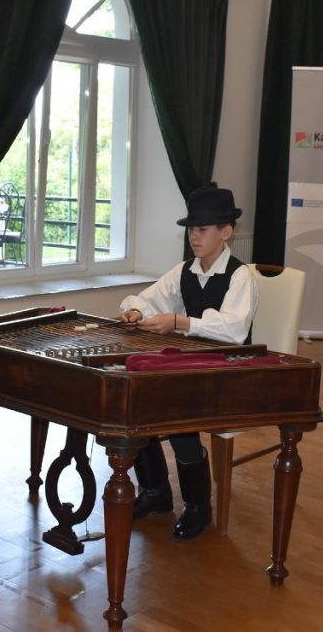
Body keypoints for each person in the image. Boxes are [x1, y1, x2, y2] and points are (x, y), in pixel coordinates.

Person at [119, 183, 259, 540]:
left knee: (177, 409)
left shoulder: (240, 276)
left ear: (226, 232)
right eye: (191, 229)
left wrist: (181, 322)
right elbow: (147, 298)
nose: (194, 236)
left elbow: (234, 330)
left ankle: (198, 505)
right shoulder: (184, 271)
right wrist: (137, 311)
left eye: (203, 229)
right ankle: (155, 491)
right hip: (191, 367)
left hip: (229, 372)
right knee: (139, 400)